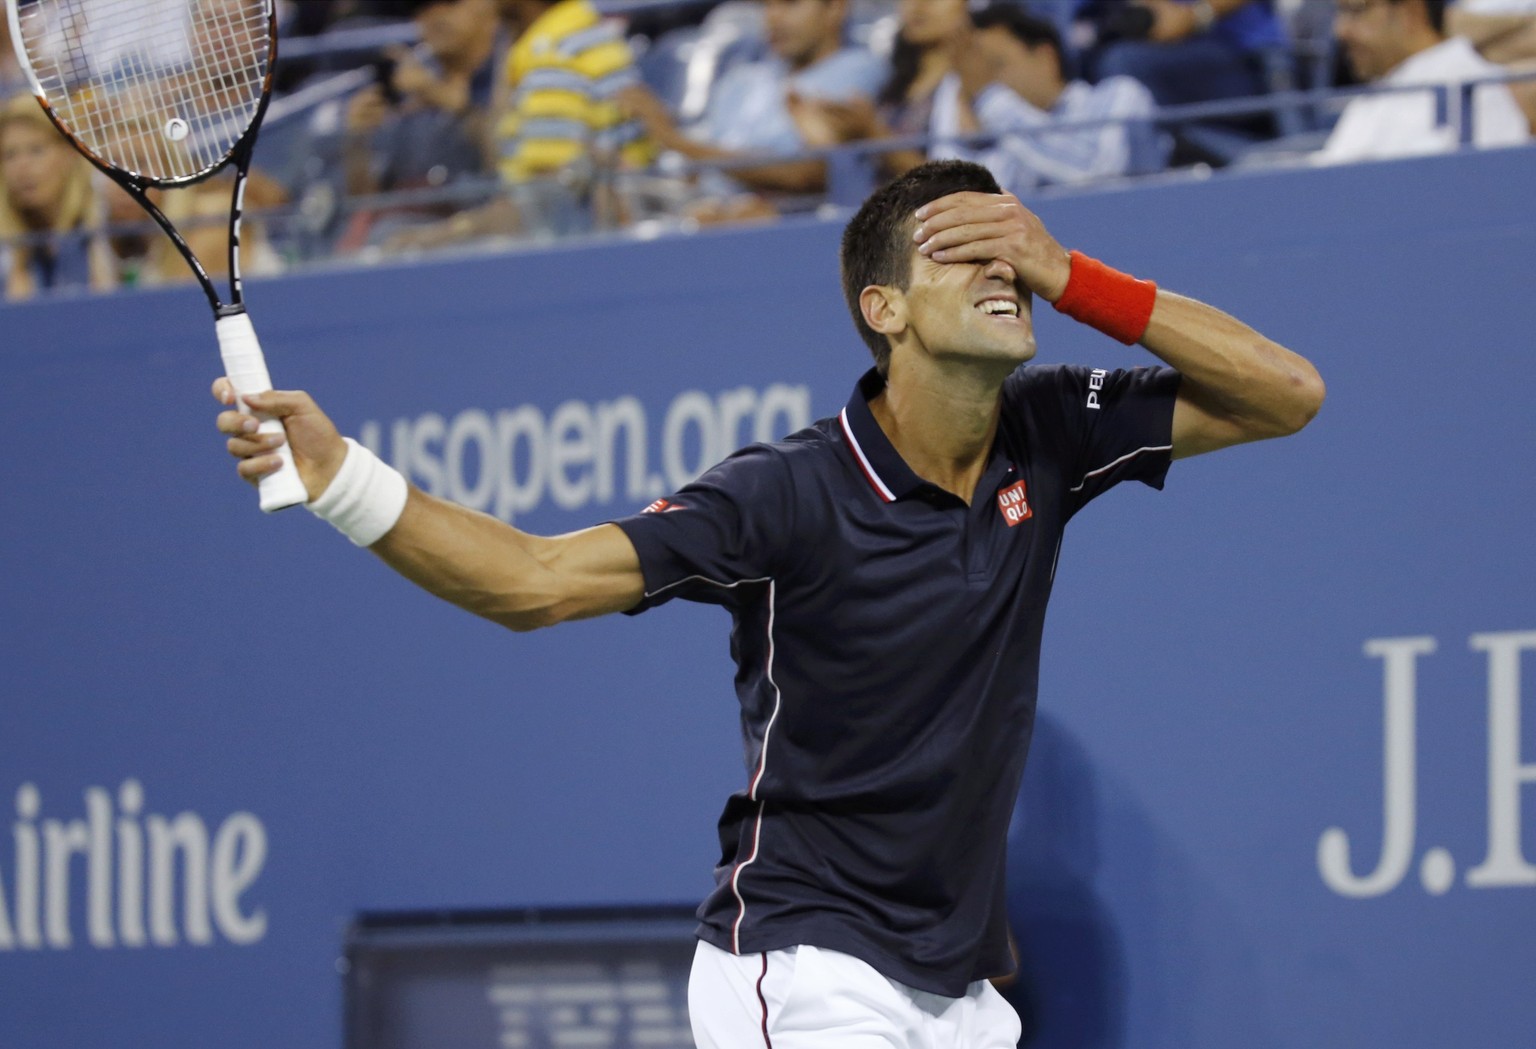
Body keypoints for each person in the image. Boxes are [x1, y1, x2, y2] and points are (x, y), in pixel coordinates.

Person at [213, 158, 1324, 1045]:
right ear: (881, 307)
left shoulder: (1051, 430)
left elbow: (1287, 394)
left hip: (962, 993)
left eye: (1015, 255)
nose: (1008, 275)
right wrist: (343, 481)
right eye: (968, 253)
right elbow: (533, 582)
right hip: (804, 970)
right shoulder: (784, 493)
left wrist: (1074, 270)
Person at [386, 0, 651, 250]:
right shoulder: (551, 41)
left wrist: (445, 235)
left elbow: (546, 203)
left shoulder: (556, 53)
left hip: (589, 243)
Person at [616, 0, 885, 216]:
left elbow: (805, 176)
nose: (774, 17)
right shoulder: (739, 80)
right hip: (705, 218)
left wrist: (674, 140)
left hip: (792, 225)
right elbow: (701, 172)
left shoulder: (859, 70)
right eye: (767, 5)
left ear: (835, 8)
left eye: (790, 4)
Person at [930, 4, 1168, 196]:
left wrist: (987, 96)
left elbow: (1094, 172)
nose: (986, 80)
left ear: (1046, 57)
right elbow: (958, 202)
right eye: (978, 73)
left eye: (995, 65)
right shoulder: (1010, 135)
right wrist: (959, 98)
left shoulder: (1120, 94)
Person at [332, 0, 500, 249]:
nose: (434, 15)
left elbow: (506, 172)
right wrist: (357, 140)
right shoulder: (405, 91)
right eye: (422, 6)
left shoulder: (505, 73)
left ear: (488, 8)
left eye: (450, 3)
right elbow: (365, 201)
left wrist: (450, 103)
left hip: (485, 236)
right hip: (408, 239)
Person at [1315, 0, 1530, 164]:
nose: (1340, 30)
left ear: (1411, 12)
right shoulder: (1378, 95)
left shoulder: (1470, 90)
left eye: (1356, 10)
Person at [0, 97, 115, 301]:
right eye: (10, 155)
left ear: (70, 152)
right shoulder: (9, 247)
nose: (21, 167)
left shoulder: (109, 220)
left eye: (36, 150)